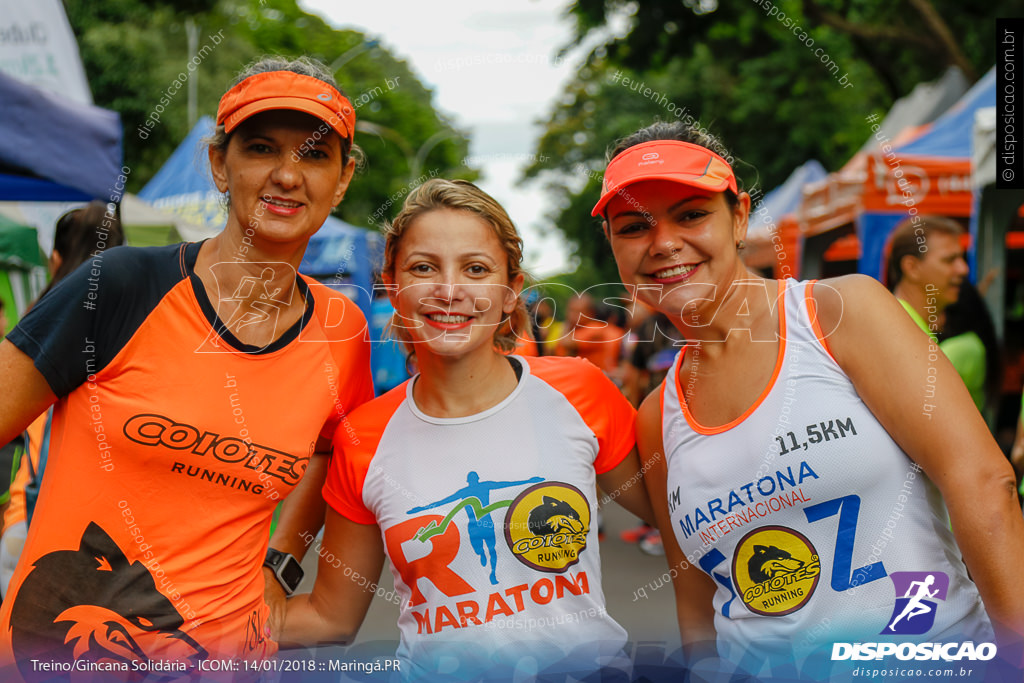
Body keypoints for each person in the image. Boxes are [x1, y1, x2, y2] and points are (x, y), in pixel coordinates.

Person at [595, 121, 1024, 678]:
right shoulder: (657, 416)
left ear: (740, 217)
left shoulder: (839, 315)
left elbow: (984, 486)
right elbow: (697, 603)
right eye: (634, 226)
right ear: (613, 246)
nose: (664, 243)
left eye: (691, 214)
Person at [0, 56, 374, 677]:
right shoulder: (119, 286)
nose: (286, 175)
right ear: (219, 165)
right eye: (260, 149)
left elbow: (332, 453)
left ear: (342, 180)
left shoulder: (342, 332)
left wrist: (282, 563)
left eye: (313, 156)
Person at [279, 179, 653, 680]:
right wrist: (194, 618)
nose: (450, 290)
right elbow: (329, 617)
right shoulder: (363, 436)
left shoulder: (578, 392)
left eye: (476, 269)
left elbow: (687, 521)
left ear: (510, 292)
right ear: (392, 287)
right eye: (423, 267)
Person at [0, 201, 126, 597]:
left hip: (33, 511)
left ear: (56, 259)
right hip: (111, 530)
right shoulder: (138, 322)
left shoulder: (42, 323)